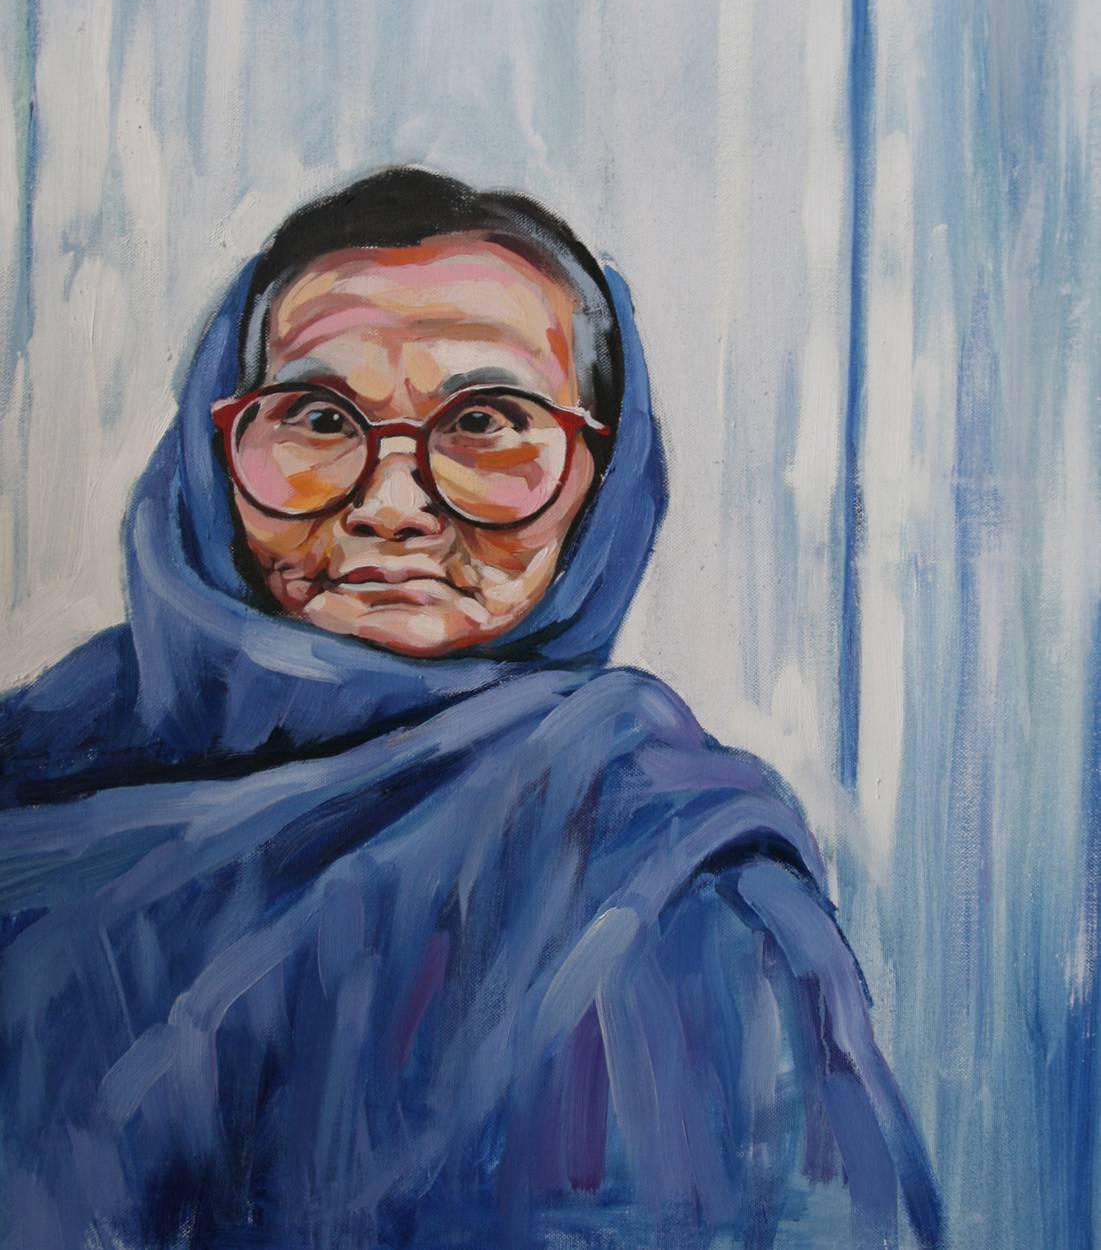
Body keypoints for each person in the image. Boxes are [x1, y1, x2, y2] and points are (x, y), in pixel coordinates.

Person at [0, 169, 941, 1250]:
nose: (391, 505)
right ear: (218, 454)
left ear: (603, 473)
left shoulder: (669, 867)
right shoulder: (41, 770)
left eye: (486, 422)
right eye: (318, 417)